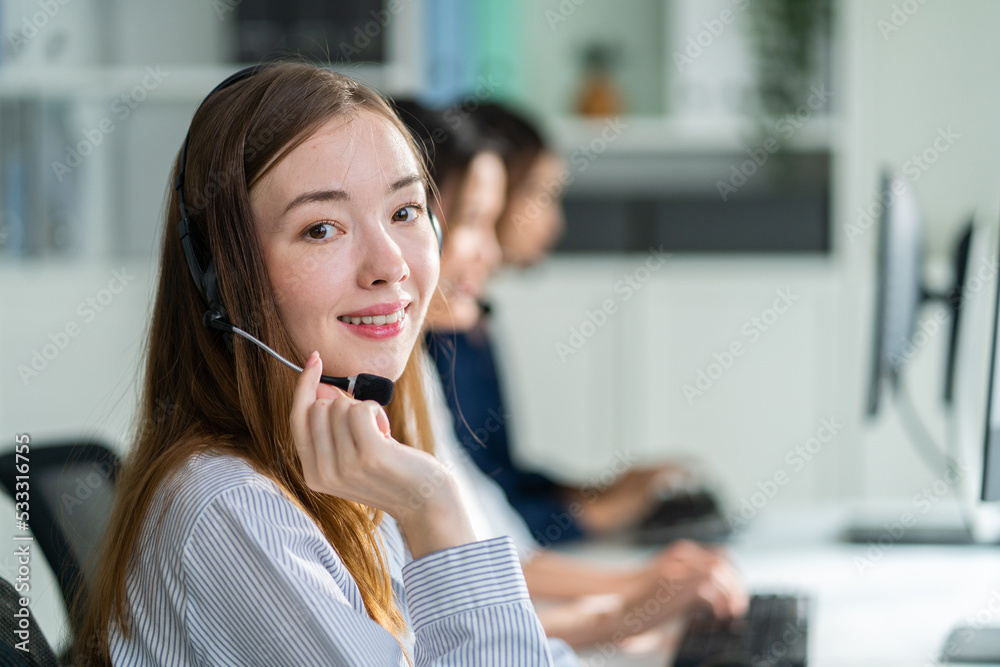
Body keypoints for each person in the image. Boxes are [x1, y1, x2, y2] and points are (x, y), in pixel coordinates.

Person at [74, 62, 576, 666]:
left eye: (405, 211)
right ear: (224, 282)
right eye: (321, 228)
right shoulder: (236, 510)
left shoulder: (347, 468)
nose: (389, 263)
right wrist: (433, 508)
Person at [395, 100, 747, 651]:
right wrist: (621, 602)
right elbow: (415, 621)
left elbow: (491, 535)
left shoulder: (416, 372)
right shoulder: (401, 376)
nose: (485, 250)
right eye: (471, 221)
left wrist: (630, 593)